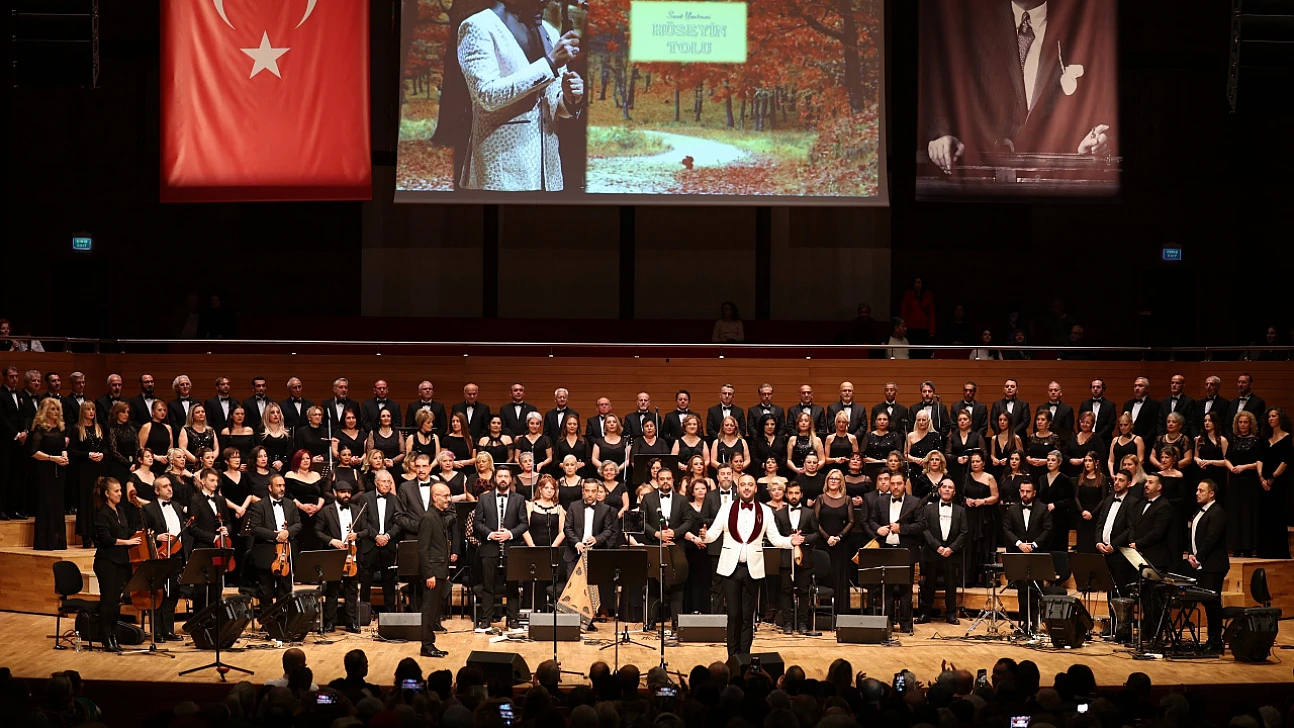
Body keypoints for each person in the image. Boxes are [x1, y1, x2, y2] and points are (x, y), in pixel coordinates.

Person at [920, 1, 1117, 164]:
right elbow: (950, 94)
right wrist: (941, 136)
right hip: (987, 183)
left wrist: (1088, 145)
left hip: (1057, 183)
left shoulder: (1080, 28)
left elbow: (1097, 105)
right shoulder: (975, 28)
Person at [457, 0, 584, 191]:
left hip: (547, 175)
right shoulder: (478, 26)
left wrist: (570, 97)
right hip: (501, 175)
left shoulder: (549, 31)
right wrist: (549, 64)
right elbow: (486, 95)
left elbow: (556, 107)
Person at [699, 474, 803, 657]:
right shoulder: (726, 508)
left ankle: (744, 657)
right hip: (730, 569)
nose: (746, 488)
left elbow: (775, 539)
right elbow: (713, 535)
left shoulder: (765, 511)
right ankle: (732, 657)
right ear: (737, 488)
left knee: (748, 617)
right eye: (743, 485)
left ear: (756, 488)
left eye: (750, 485)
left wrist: (791, 541)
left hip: (752, 570)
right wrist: (703, 536)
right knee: (733, 616)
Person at [639, 467, 695, 633]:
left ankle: (676, 622)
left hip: (676, 546)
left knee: (677, 585)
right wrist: (656, 534)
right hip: (655, 546)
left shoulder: (682, 500)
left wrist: (675, 533)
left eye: (668, 478)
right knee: (653, 582)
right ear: (657, 480)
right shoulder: (648, 499)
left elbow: (688, 521)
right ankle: (650, 621)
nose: (665, 481)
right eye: (662, 478)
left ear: (673, 481)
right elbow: (642, 521)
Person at [474, 467, 528, 631]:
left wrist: (510, 534)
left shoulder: (519, 499)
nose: (503, 479)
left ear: (511, 479)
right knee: (487, 585)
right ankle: (486, 620)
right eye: (500, 476)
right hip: (490, 547)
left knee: (512, 585)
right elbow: (477, 523)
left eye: (506, 476)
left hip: (511, 548)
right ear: (495, 478)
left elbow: (524, 524)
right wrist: (490, 534)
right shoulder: (484, 499)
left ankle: (512, 619)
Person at [92, 476, 141, 652]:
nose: (120, 494)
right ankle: (106, 637)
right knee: (108, 601)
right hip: (106, 562)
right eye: (117, 491)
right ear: (107, 494)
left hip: (121, 562)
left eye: (120, 490)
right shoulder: (102, 513)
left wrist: (139, 534)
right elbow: (105, 539)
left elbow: (126, 531)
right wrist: (127, 542)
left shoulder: (120, 510)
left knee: (116, 601)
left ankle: (113, 634)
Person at [562, 478, 615, 629]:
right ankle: (571, 623)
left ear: (598, 492)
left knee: (591, 588)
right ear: (582, 491)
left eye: (593, 491)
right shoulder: (573, 506)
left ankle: (588, 622)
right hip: (574, 552)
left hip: (594, 553)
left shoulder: (605, 509)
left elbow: (608, 530)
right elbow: (567, 528)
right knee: (574, 589)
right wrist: (576, 543)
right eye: (587, 490)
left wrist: (597, 539)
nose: (590, 494)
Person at [139, 474, 186, 641]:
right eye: (165, 486)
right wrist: (157, 536)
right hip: (160, 555)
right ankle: (156, 631)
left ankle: (168, 630)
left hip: (177, 554)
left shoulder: (176, 506)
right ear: (157, 490)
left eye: (170, 485)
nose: (170, 488)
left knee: (173, 593)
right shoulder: (149, 509)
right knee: (159, 593)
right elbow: (143, 533)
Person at [1184, 479, 1228, 653]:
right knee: (1208, 603)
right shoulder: (1200, 511)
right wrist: (1190, 554)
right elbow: (1194, 536)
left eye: (1201, 490)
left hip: (1214, 565)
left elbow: (1212, 539)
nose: (1197, 493)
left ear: (1211, 494)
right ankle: (1212, 640)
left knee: (1213, 604)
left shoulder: (1217, 512)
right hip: (1202, 563)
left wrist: (1198, 558)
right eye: (1196, 489)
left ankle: (1215, 642)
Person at [1002, 481, 1051, 632]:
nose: (1025, 494)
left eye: (1028, 491)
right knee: (1021, 590)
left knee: (1035, 589)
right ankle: (1023, 622)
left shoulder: (1043, 509)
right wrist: (1019, 544)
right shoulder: (1012, 509)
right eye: (1022, 491)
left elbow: (1048, 530)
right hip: (1018, 554)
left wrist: (1034, 545)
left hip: (1036, 555)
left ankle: (1035, 622)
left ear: (1034, 492)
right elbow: (1006, 529)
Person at [248, 473, 302, 610]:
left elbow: (298, 524)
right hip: (266, 552)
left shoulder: (290, 504)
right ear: (270, 488)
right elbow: (254, 528)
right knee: (266, 591)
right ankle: (267, 622)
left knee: (285, 589)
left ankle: (283, 621)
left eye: (283, 485)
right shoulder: (259, 506)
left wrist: (287, 532)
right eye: (278, 486)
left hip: (287, 553)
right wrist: (275, 536)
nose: (282, 488)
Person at [186, 467, 235, 611]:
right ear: (202, 481)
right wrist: (213, 538)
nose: (215, 483)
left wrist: (227, 529)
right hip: (203, 548)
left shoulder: (220, 500)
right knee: (201, 588)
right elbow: (192, 528)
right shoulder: (195, 500)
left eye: (216, 480)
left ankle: (215, 619)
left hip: (219, 549)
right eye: (211, 480)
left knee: (217, 585)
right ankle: (199, 622)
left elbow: (229, 522)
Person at [315, 480, 361, 633]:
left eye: (348, 492)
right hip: (334, 555)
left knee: (351, 590)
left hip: (351, 556)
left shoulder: (357, 509)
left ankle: (351, 621)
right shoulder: (326, 511)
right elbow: (317, 532)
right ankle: (330, 622)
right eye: (342, 492)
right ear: (335, 493)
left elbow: (367, 529)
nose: (346, 495)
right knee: (332, 590)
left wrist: (357, 535)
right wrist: (331, 541)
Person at [357, 470, 404, 615]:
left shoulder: (396, 499)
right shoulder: (365, 497)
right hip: (370, 544)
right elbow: (362, 521)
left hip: (388, 545)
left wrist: (388, 536)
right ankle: (364, 613)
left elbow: (399, 522)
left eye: (389, 482)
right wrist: (376, 536)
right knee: (366, 580)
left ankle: (389, 613)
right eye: (384, 481)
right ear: (376, 482)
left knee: (388, 580)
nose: (387, 484)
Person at [919, 480, 966, 625]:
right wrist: (937, 547)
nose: (946, 489)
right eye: (944, 487)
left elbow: (964, 533)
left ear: (954, 492)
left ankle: (951, 614)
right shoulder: (928, 509)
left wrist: (951, 548)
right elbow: (924, 530)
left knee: (951, 585)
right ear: (939, 490)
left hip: (951, 554)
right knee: (928, 585)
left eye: (950, 487)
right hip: (933, 552)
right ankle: (925, 614)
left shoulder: (961, 510)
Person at [773, 481, 817, 633]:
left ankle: (803, 623)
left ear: (801, 494)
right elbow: (774, 536)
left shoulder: (810, 513)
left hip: (805, 558)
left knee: (804, 592)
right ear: (786, 495)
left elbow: (816, 534)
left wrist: (803, 538)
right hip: (785, 558)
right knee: (786, 591)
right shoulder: (778, 514)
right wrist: (789, 539)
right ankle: (787, 623)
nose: (793, 496)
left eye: (796, 493)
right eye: (791, 493)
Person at [418, 482, 453, 657]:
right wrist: (429, 573)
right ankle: (426, 645)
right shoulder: (428, 518)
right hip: (432, 573)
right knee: (429, 610)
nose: (448, 499)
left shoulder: (438, 516)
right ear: (435, 497)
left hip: (439, 571)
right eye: (445, 496)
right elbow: (423, 549)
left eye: (449, 495)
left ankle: (430, 643)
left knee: (435, 610)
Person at [28, 398, 68, 550]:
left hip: (59, 471)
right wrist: (52, 459)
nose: (56, 412)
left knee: (58, 504)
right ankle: (45, 542)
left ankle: (57, 541)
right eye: (53, 409)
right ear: (45, 411)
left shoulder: (60, 428)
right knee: (46, 504)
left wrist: (64, 456)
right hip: (44, 471)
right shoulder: (40, 429)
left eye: (57, 409)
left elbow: (62, 447)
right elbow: (33, 452)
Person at [813, 469, 853, 615]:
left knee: (840, 578)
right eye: (831, 478)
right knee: (826, 576)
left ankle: (840, 612)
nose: (834, 481)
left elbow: (851, 521)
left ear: (841, 481)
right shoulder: (820, 499)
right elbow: (815, 522)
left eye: (837, 479)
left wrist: (839, 537)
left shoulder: (847, 499)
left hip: (840, 544)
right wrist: (827, 537)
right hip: (824, 544)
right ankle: (824, 613)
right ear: (827, 481)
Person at [69, 401, 107, 547]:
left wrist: (102, 454)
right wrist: (88, 455)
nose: (91, 412)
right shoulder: (77, 428)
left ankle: (98, 533)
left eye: (93, 409)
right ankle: (86, 534)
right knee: (86, 501)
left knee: (98, 500)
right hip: (84, 469)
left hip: (98, 469)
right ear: (82, 412)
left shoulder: (99, 428)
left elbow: (106, 448)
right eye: (88, 409)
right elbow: (72, 450)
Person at [1224, 410, 1261, 556]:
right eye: (1240, 422)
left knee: (1248, 515)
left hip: (1250, 482)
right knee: (1235, 514)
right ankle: (1235, 546)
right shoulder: (1233, 440)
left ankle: (1249, 547)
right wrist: (1231, 467)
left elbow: (1259, 461)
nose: (1243, 425)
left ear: (1250, 424)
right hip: (1235, 483)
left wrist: (1244, 467)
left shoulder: (1257, 441)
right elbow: (1227, 458)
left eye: (1245, 422)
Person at [1094, 469, 1136, 595]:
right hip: (1104, 552)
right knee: (1109, 591)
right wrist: (1098, 542)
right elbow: (1100, 524)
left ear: (1129, 484)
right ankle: (1112, 616)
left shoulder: (1133, 502)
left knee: (1122, 593)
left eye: (1121, 480)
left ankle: (1121, 616)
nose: (1117, 483)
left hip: (1120, 554)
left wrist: (1114, 545)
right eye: (1116, 479)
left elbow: (1130, 528)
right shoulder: (1108, 500)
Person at [1257, 407, 1291, 559]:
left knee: (1277, 514)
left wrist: (1272, 478)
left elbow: (1286, 461)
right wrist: (1261, 478)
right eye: (1269, 416)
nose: (1270, 419)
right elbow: (1260, 459)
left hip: (1278, 482)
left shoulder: (1287, 437)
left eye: (1273, 416)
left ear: (1280, 418)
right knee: (1264, 515)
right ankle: (1264, 550)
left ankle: (1278, 551)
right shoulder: (1264, 438)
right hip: (1263, 481)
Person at [962, 452, 999, 586]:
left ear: (983, 463)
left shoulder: (989, 477)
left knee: (984, 545)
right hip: (969, 515)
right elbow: (961, 495)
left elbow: (995, 497)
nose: (975, 464)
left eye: (978, 461)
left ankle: (984, 579)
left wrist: (982, 501)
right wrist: (967, 500)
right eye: (973, 462)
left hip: (984, 515)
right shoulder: (966, 477)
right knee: (969, 545)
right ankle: (969, 578)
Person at [680, 474, 712, 614]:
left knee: (705, 581)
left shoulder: (711, 506)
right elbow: (682, 526)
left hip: (707, 549)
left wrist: (705, 538)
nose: (700, 491)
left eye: (703, 488)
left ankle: (705, 611)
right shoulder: (686, 506)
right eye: (697, 488)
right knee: (691, 580)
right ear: (692, 491)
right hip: (690, 548)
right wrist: (695, 539)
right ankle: (691, 610)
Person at [284, 449, 324, 550]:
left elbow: (323, 495)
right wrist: (302, 507)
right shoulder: (290, 475)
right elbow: (288, 495)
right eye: (302, 459)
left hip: (316, 514)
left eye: (308, 458)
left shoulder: (316, 475)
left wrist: (317, 507)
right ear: (297, 460)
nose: (306, 461)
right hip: (298, 514)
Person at [1036, 450, 1073, 551]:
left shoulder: (1065, 479)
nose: (1050, 462)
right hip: (1043, 518)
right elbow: (1038, 497)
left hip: (1059, 519)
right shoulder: (1042, 479)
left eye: (1053, 460)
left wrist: (1056, 505)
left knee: (1058, 548)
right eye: (1048, 460)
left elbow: (1070, 499)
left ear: (1059, 462)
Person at [1073, 452, 1108, 553]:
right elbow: (1076, 497)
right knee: (1082, 542)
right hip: (1082, 514)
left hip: (1095, 515)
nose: (1087, 463)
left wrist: (1092, 514)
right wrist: (1082, 511)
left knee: (1092, 543)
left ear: (1096, 462)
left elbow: (1103, 499)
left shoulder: (1102, 478)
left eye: (1090, 461)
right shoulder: (1080, 477)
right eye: (1085, 461)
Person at [137, 400, 173, 476]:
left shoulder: (168, 428)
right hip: (150, 464)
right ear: (153, 411)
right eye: (160, 410)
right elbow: (140, 447)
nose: (163, 412)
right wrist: (155, 457)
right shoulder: (147, 426)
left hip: (165, 464)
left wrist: (167, 457)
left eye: (164, 410)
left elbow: (170, 448)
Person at [1108, 413, 1144, 481]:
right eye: (1121, 425)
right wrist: (1112, 473)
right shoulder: (1115, 440)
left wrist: (1133, 474)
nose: (1123, 428)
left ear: (1131, 425)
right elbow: (1111, 460)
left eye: (1125, 425)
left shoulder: (1137, 439)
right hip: (1117, 474)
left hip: (1132, 475)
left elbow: (1140, 460)